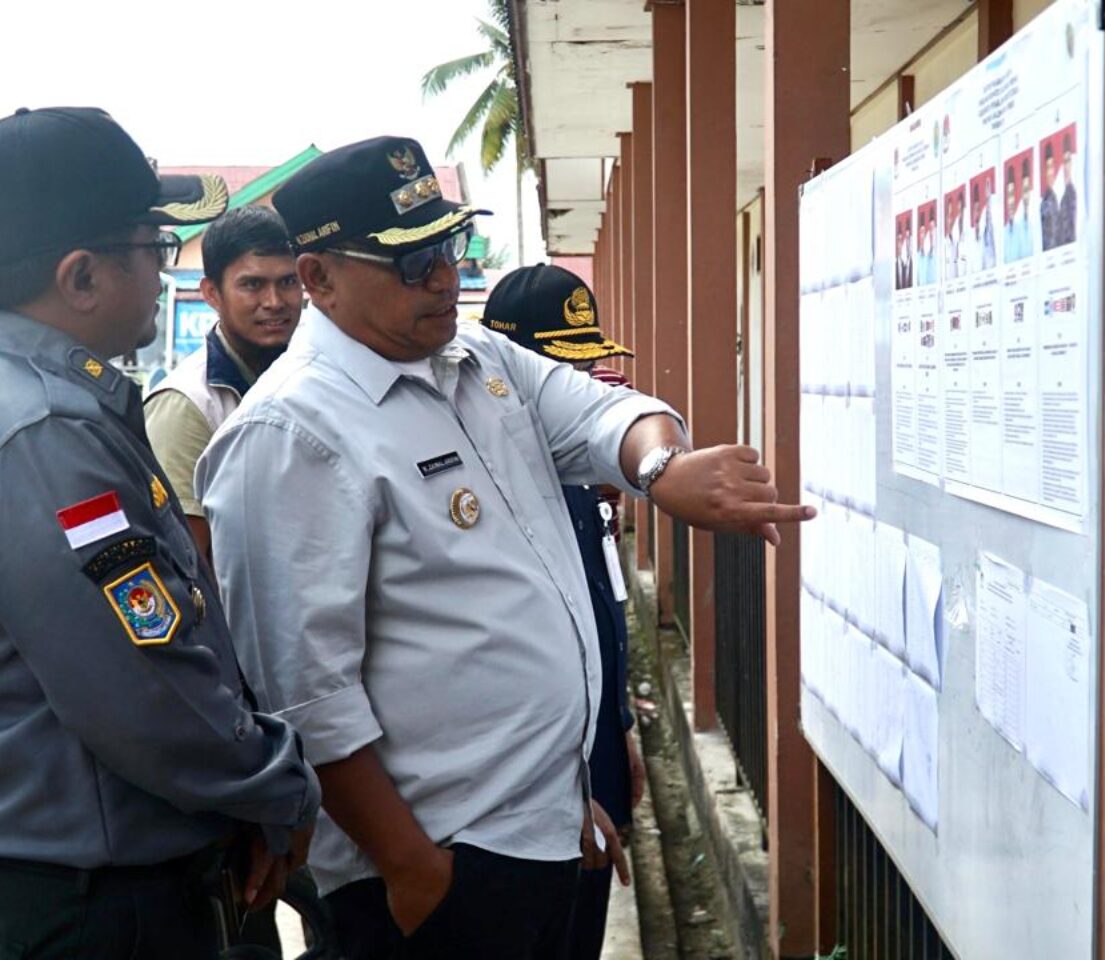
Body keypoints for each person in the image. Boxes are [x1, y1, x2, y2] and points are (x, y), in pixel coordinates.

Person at [195, 134, 813, 960]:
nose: (445, 278)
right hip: (434, 871)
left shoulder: (475, 358)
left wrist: (662, 467)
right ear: (319, 278)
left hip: (543, 829)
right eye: (409, 263)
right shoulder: (293, 433)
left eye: (446, 247)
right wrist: (415, 871)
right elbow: (308, 697)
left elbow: (604, 416)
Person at [0, 105, 319, 960]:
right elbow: (145, 684)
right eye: (154, 245)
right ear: (80, 277)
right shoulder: (46, 435)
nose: (164, 266)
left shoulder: (53, 408)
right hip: (93, 905)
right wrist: (275, 785)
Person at [482, 265, 644, 960]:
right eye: (556, 365)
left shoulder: (571, 469)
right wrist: (562, 792)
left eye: (586, 365)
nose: (574, 386)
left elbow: (597, 619)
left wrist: (622, 728)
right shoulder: (485, 484)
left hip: (595, 753)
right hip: (533, 789)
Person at [145, 205, 304, 560]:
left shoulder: (318, 376)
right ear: (212, 293)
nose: (275, 302)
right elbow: (188, 563)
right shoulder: (187, 404)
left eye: (288, 282)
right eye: (252, 285)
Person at [1057, 134, 1078, 247]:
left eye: (1068, 160)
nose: (1065, 166)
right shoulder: (1062, 198)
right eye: (1064, 161)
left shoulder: (1073, 195)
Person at [1040, 143, 1060, 251]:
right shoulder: (1045, 203)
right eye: (1048, 168)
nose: (1051, 172)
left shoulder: (1055, 197)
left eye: (1052, 167)